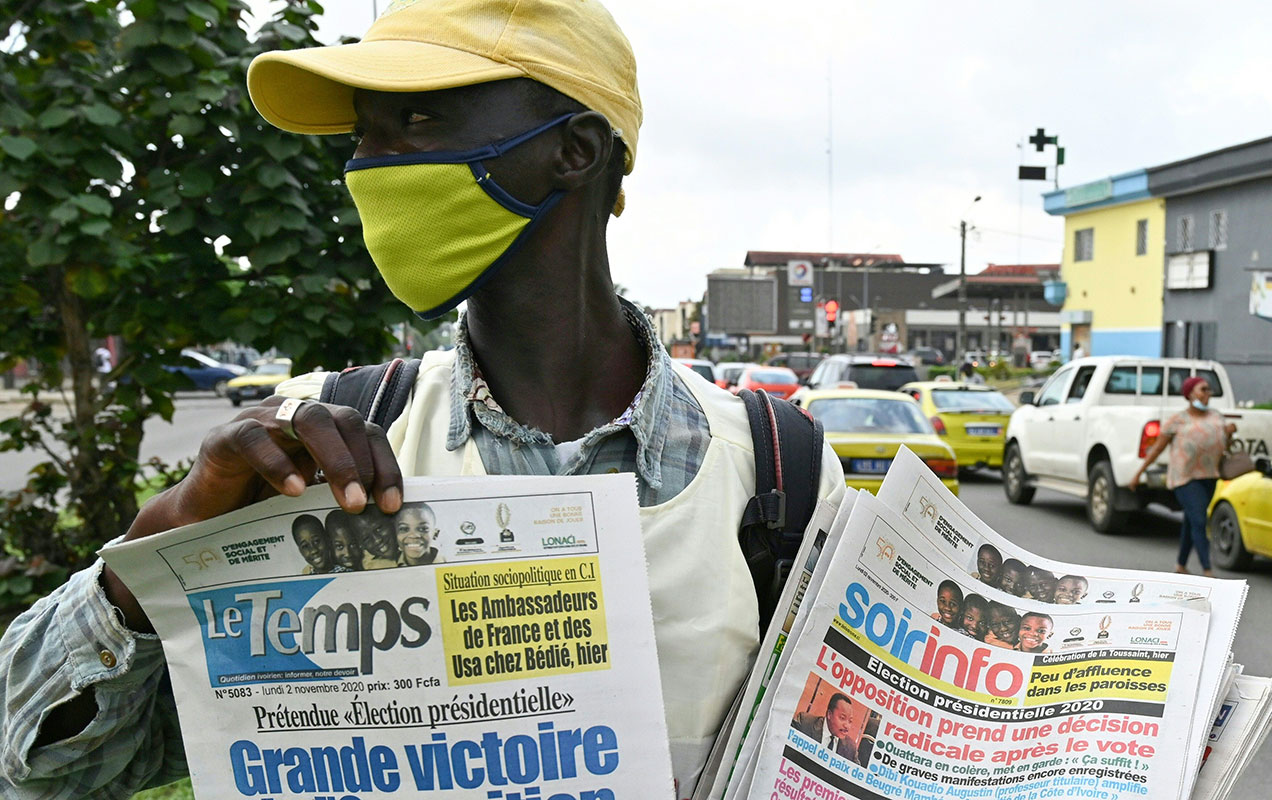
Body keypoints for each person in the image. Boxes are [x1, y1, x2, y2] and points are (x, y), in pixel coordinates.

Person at [0, 2, 846, 796]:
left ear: (576, 149)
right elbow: (43, 768)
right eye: (364, 132)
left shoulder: (779, 471)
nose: (369, 164)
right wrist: (161, 553)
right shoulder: (318, 443)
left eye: (418, 120)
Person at [1129, 376, 1234, 577]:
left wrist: (1228, 434)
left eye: (1208, 390)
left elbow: (1224, 446)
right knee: (1199, 519)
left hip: (1210, 476)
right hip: (1184, 478)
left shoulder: (1216, 417)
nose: (1207, 394)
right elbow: (1157, 449)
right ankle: (1207, 569)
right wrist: (1139, 473)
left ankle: (1181, 565)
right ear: (1190, 394)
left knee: (1191, 520)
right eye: (1203, 390)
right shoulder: (1177, 420)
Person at [791, 693, 858, 761]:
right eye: (842, 718)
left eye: (850, 721)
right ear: (829, 714)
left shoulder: (851, 748)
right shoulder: (804, 723)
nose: (847, 726)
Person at [350, 505, 400, 570]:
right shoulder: (369, 566)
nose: (377, 540)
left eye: (379, 529)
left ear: (391, 521)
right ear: (361, 546)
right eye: (366, 538)